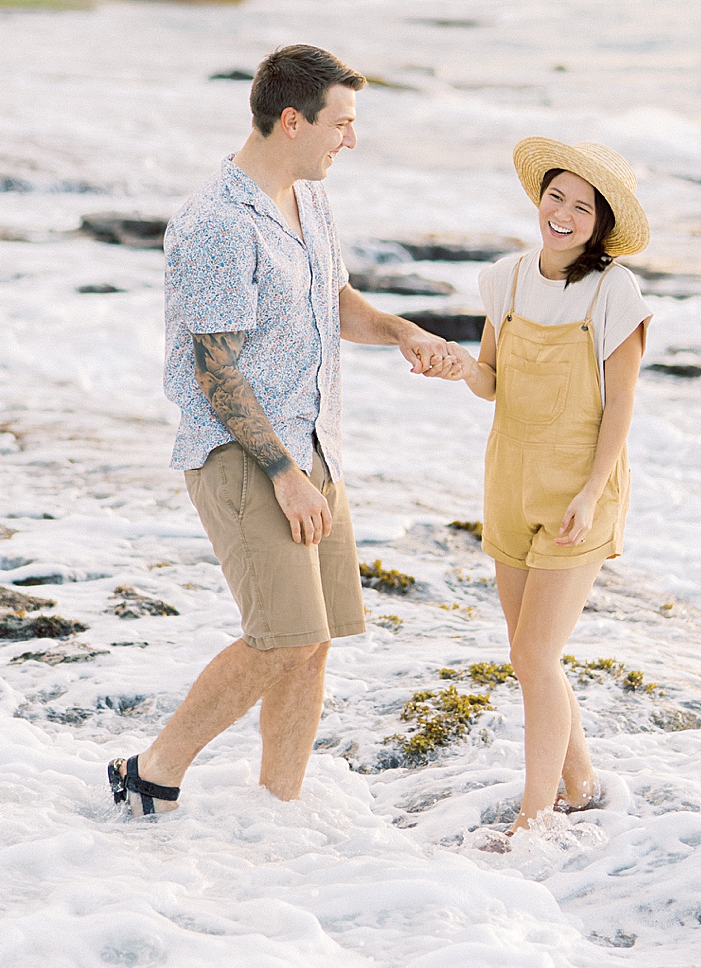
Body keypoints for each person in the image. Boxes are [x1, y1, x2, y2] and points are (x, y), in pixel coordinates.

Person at [108, 43, 453, 819]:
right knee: (281, 636)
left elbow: (334, 300)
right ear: (293, 120)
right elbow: (215, 369)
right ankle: (151, 771)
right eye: (342, 124)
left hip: (314, 443)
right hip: (244, 455)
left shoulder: (310, 199)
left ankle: (279, 810)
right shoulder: (215, 224)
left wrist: (400, 330)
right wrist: (283, 474)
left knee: (314, 638)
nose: (350, 141)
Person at [432, 138, 651, 850]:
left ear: (599, 223)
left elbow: (620, 405)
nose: (563, 213)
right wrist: (463, 364)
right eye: (556, 196)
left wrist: (591, 492)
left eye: (581, 206)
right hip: (510, 481)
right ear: (540, 199)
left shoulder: (615, 292)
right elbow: (492, 379)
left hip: (575, 496)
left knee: (534, 655)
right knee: (530, 653)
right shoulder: (507, 279)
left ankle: (535, 818)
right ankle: (580, 783)